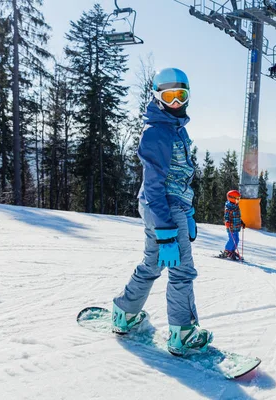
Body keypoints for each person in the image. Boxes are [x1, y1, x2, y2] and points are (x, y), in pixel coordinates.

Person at [111, 67, 212, 357]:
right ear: (158, 97)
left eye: (181, 96)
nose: (176, 103)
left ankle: (125, 312)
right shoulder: (157, 132)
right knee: (182, 271)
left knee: (153, 263)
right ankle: (183, 334)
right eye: (170, 97)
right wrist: (167, 228)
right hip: (163, 207)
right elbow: (155, 184)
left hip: (167, 207)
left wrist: (188, 211)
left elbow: (180, 175)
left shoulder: (174, 129)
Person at [222, 190, 246, 260]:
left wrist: (241, 222)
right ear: (231, 198)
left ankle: (232, 251)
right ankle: (227, 251)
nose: (238, 200)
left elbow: (238, 217)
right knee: (232, 239)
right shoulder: (228, 207)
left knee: (237, 240)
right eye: (237, 199)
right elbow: (226, 216)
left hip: (236, 227)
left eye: (239, 199)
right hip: (231, 227)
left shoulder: (236, 206)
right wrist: (227, 222)